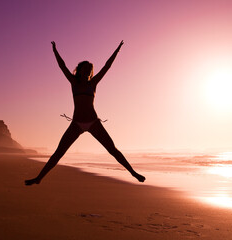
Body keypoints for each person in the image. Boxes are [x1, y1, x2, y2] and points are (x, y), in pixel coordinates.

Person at [25, 40, 145, 185]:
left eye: (90, 69)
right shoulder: (74, 83)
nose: (88, 71)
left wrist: (118, 50)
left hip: (93, 122)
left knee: (112, 150)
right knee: (59, 152)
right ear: (80, 70)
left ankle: (133, 173)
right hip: (76, 123)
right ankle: (39, 178)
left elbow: (107, 66)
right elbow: (62, 66)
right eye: (86, 69)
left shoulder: (93, 83)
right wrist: (54, 50)